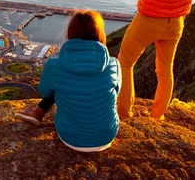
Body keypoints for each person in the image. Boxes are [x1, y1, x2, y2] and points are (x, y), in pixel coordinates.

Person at [15, 10, 121, 152]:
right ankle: (38, 112)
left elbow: (45, 91)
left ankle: (38, 112)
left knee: (60, 83)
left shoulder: (54, 65)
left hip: (70, 137)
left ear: (70, 33)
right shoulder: (113, 64)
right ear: (100, 33)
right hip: (106, 136)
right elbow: (116, 91)